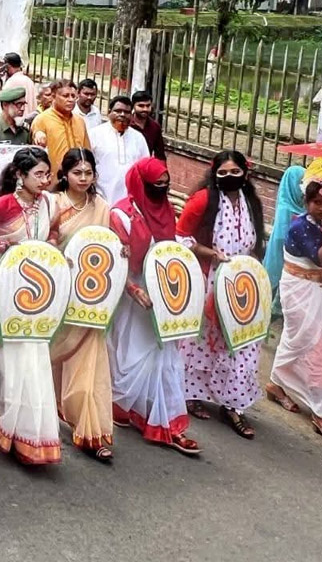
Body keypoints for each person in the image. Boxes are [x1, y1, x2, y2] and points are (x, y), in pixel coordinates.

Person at [0, 147, 62, 466]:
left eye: (47, 174)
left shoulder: (47, 203)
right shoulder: (3, 205)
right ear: (19, 176)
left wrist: (50, 245)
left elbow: (52, 231)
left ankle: (27, 434)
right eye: (38, 174)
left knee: (32, 355)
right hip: (4, 285)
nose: (45, 180)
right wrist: (3, 246)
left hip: (36, 289)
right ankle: (1, 420)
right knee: (3, 355)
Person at [107, 158, 200, 455]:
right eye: (155, 185)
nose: (162, 189)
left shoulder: (167, 210)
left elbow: (170, 250)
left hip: (164, 296)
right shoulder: (121, 215)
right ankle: (128, 407)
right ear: (140, 183)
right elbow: (115, 261)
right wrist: (133, 289)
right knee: (130, 356)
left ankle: (168, 423)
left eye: (165, 184)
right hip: (133, 297)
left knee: (164, 356)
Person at [176, 151, 266, 438]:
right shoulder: (203, 200)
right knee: (203, 339)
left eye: (235, 173)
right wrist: (210, 253)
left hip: (242, 282)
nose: (229, 178)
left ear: (245, 174)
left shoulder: (251, 202)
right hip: (210, 280)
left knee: (241, 341)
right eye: (223, 173)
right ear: (214, 174)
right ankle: (190, 393)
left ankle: (233, 404)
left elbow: (256, 242)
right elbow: (181, 237)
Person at [266, 179, 322, 444]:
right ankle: (320, 412)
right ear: (306, 202)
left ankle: (276, 384)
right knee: (312, 344)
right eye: (317, 202)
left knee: (311, 343)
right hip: (301, 291)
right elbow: (321, 259)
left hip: (318, 292)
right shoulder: (300, 226)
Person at [47, 149, 116, 462]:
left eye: (89, 173)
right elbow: (43, 243)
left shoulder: (101, 207)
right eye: (77, 173)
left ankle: (91, 430)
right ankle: (52, 414)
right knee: (53, 360)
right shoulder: (53, 204)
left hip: (91, 301)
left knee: (90, 365)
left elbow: (108, 246)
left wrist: (121, 253)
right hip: (57, 294)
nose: (84, 178)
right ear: (65, 174)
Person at [88, 95, 150, 205]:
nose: (122, 115)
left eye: (126, 112)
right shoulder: (94, 134)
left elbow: (146, 167)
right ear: (109, 112)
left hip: (130, 201)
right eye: (118, 111)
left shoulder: (138, 138)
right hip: (100, 198)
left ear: (131, 115)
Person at [263, 165, 308, 314]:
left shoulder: (306, 209)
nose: (302, 188)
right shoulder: (286, 208)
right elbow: (281, 238)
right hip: (283, 258)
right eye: (300, 182)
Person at [31, 79, 89, 167]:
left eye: (73, 96)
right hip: (53, 174)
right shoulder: (41, 120)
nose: (71, 100)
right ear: (53, 97)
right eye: (65, 96)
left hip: (78, 173)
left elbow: (87, 151)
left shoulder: (80, 121)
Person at [130, 90, 166, 159]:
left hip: (145, 163)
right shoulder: (126, 125)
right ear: (133, 106)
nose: (145, 109)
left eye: (148, 106)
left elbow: (160, 155)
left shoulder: (155, 127)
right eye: (141, 106)